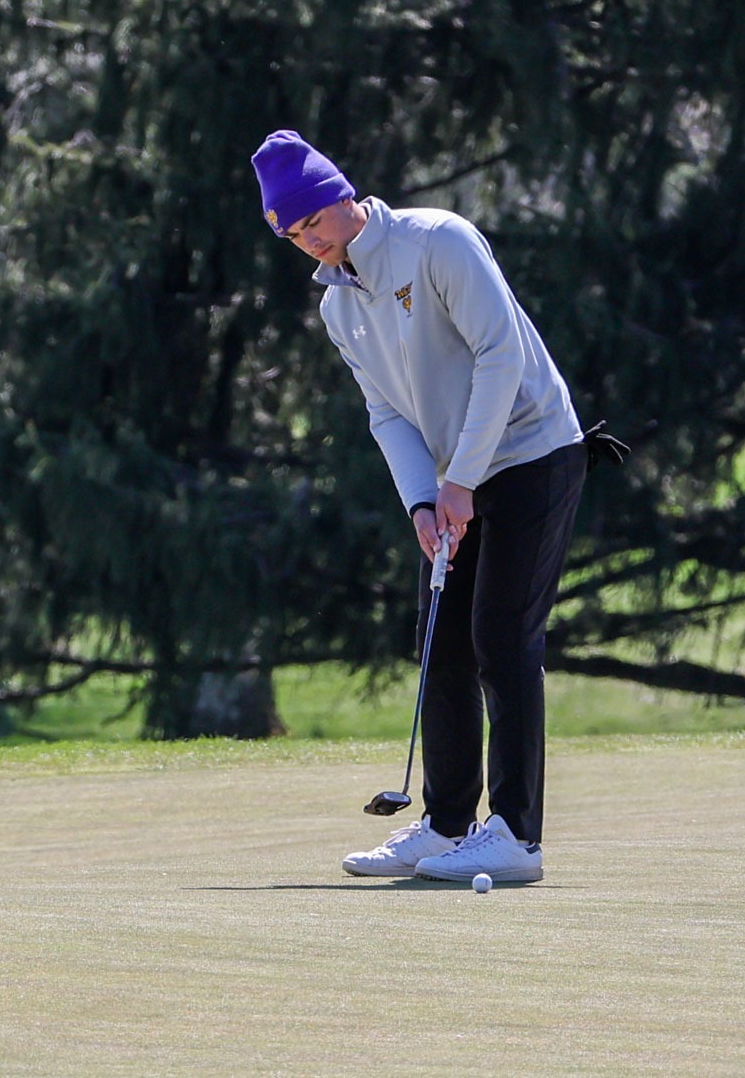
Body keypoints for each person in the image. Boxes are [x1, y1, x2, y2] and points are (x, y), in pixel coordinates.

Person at [251, 129, 589, 883]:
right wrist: (421, 503)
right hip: (454, 479)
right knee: (441, 643)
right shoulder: (339, 308)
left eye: (310, 222)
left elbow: (501, 356)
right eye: (290, 233)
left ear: (341, 198)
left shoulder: (438, 242)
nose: (306, 241)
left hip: (535, 451)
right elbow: (387, 413)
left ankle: (517, 837)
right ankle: (443, 825)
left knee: (502, 637)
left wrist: (461, 479)